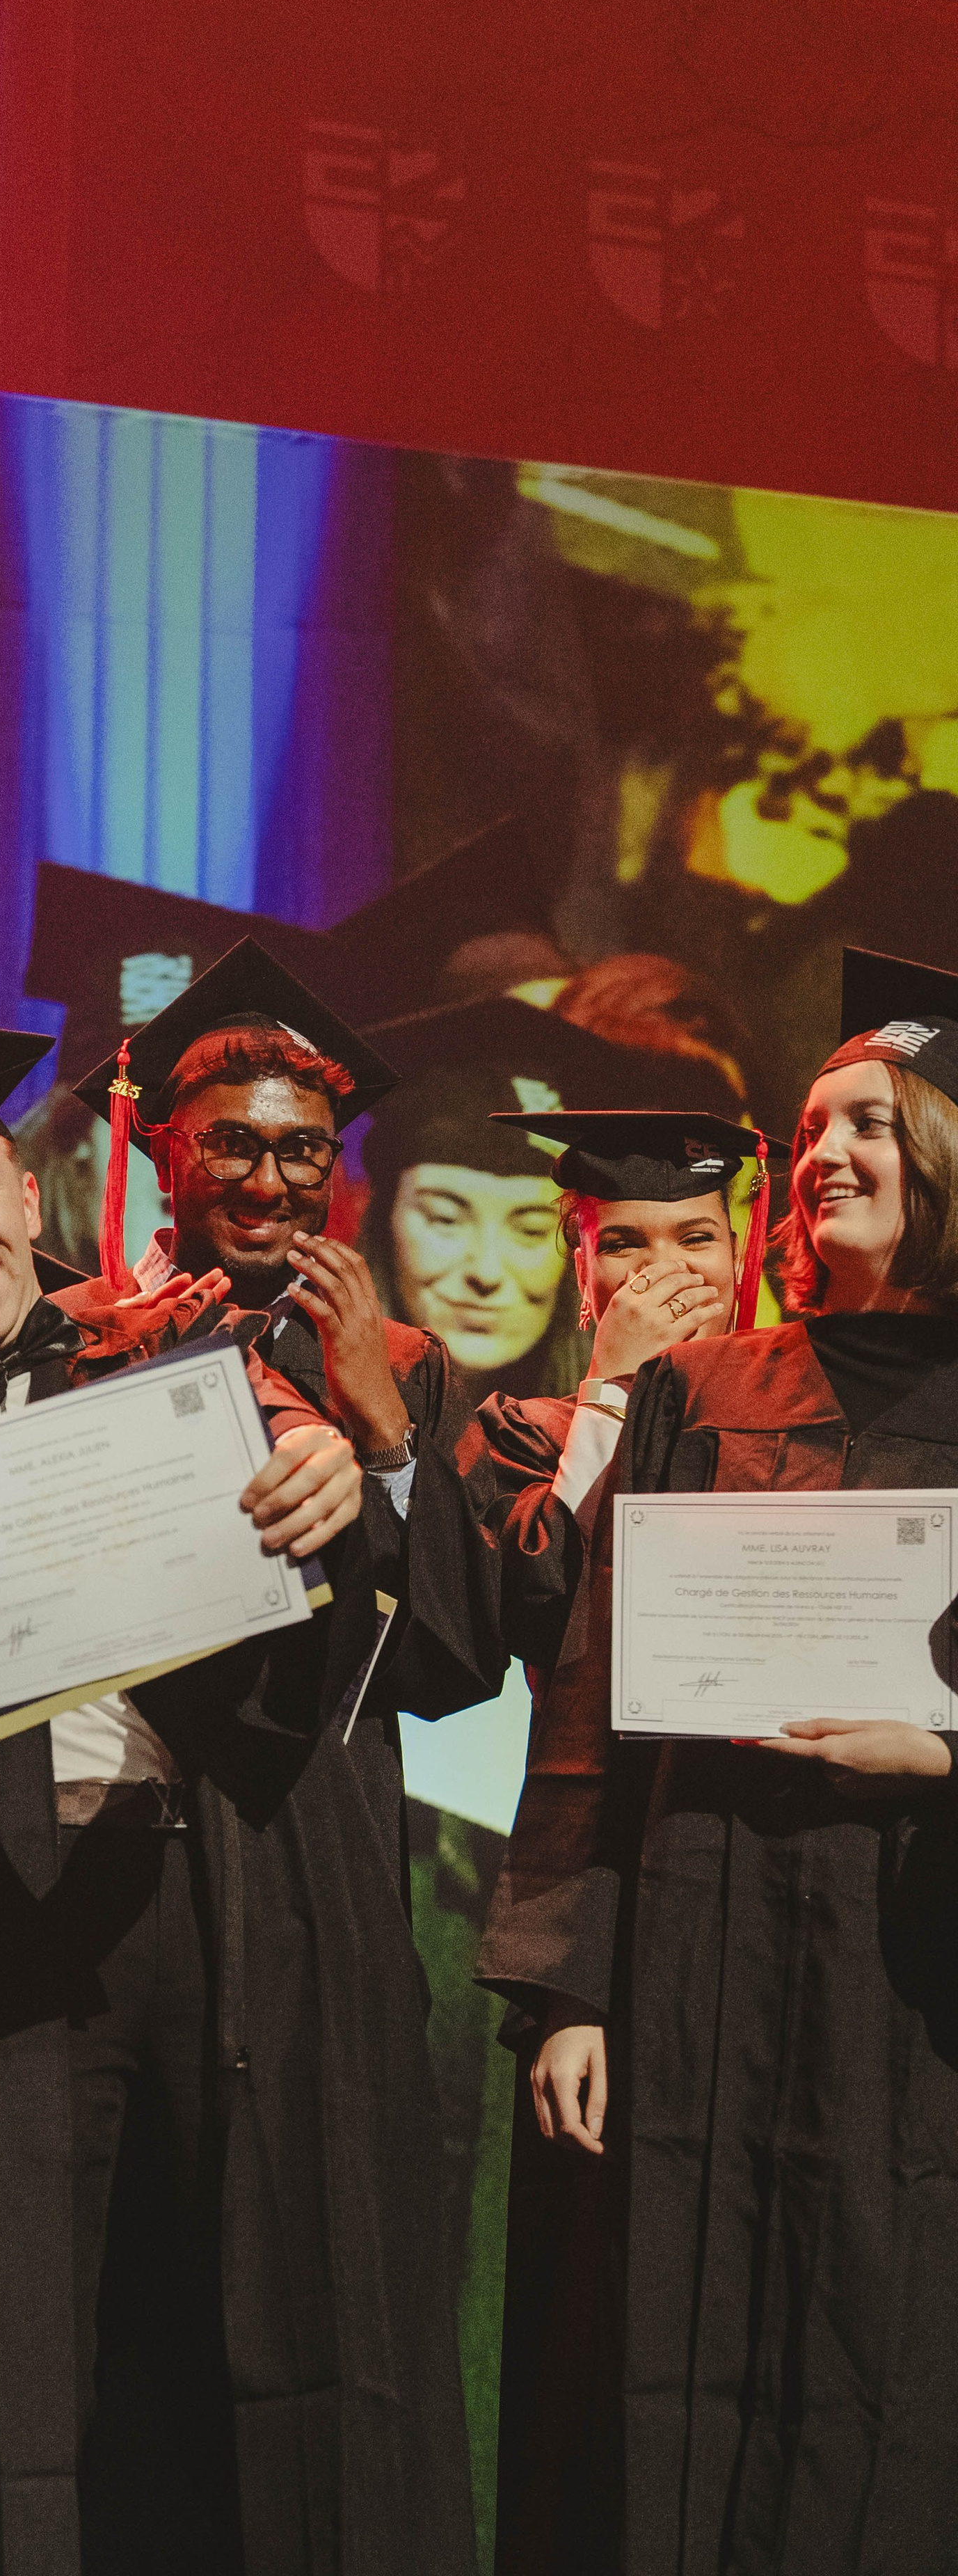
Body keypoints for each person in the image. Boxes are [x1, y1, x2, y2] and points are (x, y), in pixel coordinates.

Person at [0, 1009, 484, 2576]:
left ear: (29, 1192)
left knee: (230, 2344)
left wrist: (343, 1478)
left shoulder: (178, 1382)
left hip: (196, 1923)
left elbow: (383, 1621)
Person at [478, 943, 958, 2576]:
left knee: (886, 2346)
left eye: (871, 1126)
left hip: (914, 1951)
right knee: (679, 2347)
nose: (822, 1153)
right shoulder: (699, 1388)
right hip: (703, 1919)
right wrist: (577, 1984)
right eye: (813, 1126)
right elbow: (593, 1700)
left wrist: (943, 1749)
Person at [75, 935, 506, 1729]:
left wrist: (384, 1431)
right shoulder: (71, 1341)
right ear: (163, 1156)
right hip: (112, 1806)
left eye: (303, 1152)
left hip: (315, 1817)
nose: (268, 1185)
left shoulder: (407, 1368)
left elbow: (459, 1664)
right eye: (231, 1146)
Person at [479, 1107, 769, 1702]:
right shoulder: (530, 1435)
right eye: (621, 1244)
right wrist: (612, 1386)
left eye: (696, 1238)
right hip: (595, 1756)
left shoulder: (796, 1418)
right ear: (584, 1273)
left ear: (737, 1260)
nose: (663, 1269)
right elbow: (539, 1615)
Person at [360, 993, 731, 1405]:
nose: (485, 1273)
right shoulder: (310, 1411)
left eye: (533, 1229)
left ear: (582, 1255)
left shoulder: (648, 1418)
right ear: (385, 1222)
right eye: (445, 1219)